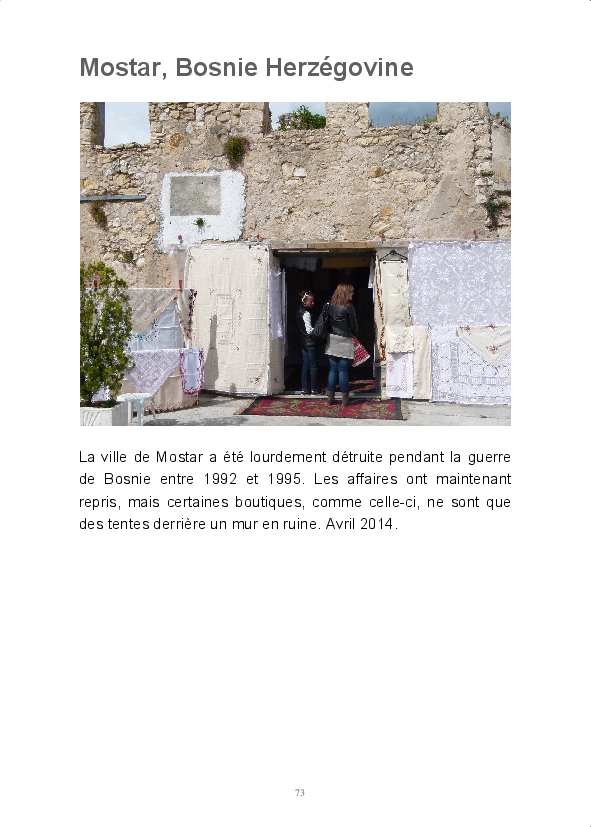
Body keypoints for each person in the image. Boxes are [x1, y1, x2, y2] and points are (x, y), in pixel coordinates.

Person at [325, 283, 358, 408]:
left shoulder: (329, 305)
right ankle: (344, 399)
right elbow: (354, 326)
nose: (352, 294)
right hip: (345, 339)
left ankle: (330, 398)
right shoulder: (348, 307)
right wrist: (354, 333)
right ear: (346, 293)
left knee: (333, 369)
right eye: (351, 292)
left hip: (332, 339)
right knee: (343, 370)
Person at [296, 291, 319, 395]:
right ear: (304, 302)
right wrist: (318, 330)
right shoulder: (306, 313)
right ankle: (313, 388)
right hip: (310, 342)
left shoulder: (299, 311)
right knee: (313, 366)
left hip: (303, 342)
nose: (313, 303)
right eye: (311, 301)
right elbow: (309, 330)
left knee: (305, 365)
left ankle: (304, 388)